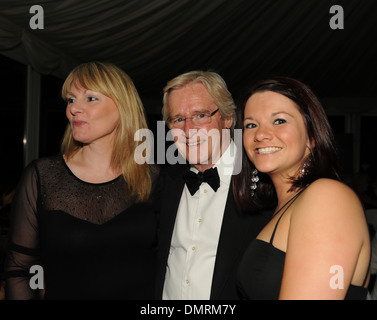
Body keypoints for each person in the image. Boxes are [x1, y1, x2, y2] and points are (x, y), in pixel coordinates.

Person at [3, 61, 159, 299]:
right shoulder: (43, 177)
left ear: (123, 106)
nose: (74, 108)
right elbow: (19, 268)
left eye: (90, 98)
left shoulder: (154, 178)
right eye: (71, 99)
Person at [233, 76, 371, 300]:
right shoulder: (283, 207)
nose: (260, 134)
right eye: (251, 125)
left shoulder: (327, 198)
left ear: (312, 136)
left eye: (279, 120)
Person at [155, 70, 270, 300]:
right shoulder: (165, 183)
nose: (188, 131)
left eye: (200, 115)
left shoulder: (266, 185)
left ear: (227, 118)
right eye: (178, 119)